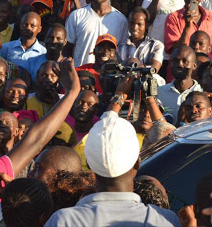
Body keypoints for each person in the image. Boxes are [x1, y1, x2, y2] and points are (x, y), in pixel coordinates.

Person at [44, 93, 180, 226]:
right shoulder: (164, 220)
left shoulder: (64, 221)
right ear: (137, 162)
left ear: (89, 164)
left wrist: (118, 96)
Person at [65, 0, 128, 67]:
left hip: (108, 76)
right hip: (81, 75)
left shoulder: (121, 20)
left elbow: (122, 53)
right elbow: (67, 48)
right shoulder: (77, 15)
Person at [157, 45, 202, 124]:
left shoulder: (202, 93)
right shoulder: (159, 92)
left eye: (185, 61)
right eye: (175, 61)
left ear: (194, 65)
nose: (180, 64)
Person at [118, 7, 164, 72]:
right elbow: (117, 70)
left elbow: (154, 68)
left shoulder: (155, 45)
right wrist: (143, 67)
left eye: (139, 24)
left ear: (147, 25)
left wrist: (130, 65)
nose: (135, 27)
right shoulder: (120, 48)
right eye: (131, 23)